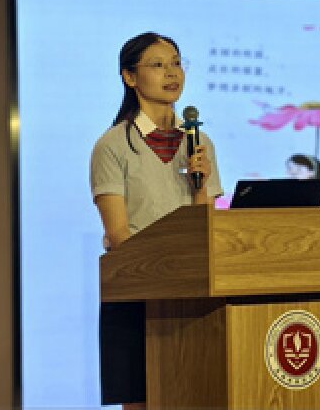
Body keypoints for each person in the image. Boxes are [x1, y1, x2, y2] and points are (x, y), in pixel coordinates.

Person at [90, 32, 223, 409]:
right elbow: (119, 234)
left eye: (177, 63)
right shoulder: (113, 145)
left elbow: (206, 228)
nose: (172, 73)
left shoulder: (199, 143)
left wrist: (201, 186)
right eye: (158, 65)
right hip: (137, 293)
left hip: (192, 293)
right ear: (130, 77)